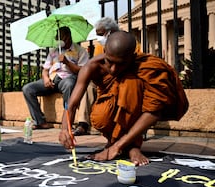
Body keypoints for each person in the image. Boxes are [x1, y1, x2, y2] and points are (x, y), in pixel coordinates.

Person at [59, 31, 189, 166]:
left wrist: (117, 147)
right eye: (110, 62)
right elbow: (72, 104)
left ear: (132, 57)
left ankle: (131, 146)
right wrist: (64, 129)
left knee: (130, 85)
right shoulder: (91, 67)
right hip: (108, 104)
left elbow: (154, 111)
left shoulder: (143, 67)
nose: (114, 69)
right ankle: (114, 141)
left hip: (135, 106)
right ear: (104, 51)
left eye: (121, 64)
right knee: (100, 117)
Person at [22, 26, 89, 129]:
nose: (59, 41)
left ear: (68, 37)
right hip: (52, 79)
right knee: (27, 89)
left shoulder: (80, 51)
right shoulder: (53, 51)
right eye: (57, 38)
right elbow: (45, 69)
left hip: (67, 78)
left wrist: (67, 62)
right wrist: (46, 78)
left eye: (61, 38)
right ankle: (39, 121)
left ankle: (67, 121)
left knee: (69, 85)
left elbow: (82, 70)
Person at [73, 17, 120, 136]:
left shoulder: (125, 41)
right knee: (88, 85)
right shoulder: (100, 46)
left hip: (122, 77)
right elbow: (96, 65)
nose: (99, 38)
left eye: (100, 34)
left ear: (110, 32)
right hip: (105, 77)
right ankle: (83, 124)